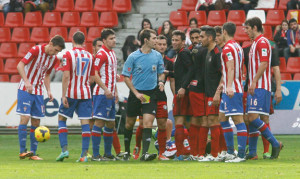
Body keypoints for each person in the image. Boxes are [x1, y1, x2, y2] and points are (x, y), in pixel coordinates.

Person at [17, 35, 65, 160]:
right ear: (50, 43)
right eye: (55, 50)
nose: (55, 53)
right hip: (25, 88)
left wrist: (49, 90)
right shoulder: (35, 50)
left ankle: (32, 153)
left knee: (36, 122)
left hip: (38, 91)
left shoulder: (53, 59)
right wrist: (27, 81)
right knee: (25, 117)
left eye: (58, 52)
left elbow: (47, 75)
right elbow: (20, 65)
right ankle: (22, 151)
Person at [56, 31, 102, 162]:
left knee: (61, 118)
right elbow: (92, 78)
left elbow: (66, 76)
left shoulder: (68, 54)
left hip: (71, 92)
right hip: (86, 93)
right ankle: (83, 155)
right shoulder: (89, 56)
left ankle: (64, 150)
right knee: (85, 122)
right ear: (84, 42)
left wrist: (63, 95)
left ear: (72, 40)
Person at [122, 29, 165, 161]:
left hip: (151, 94)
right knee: (129, 124)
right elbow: (126, 77)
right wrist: (136, 93)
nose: (156, 41)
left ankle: (145, 153)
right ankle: (127, 152)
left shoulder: (157, 56)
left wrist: (161, 81)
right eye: (154, 38)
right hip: (136, 93)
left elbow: (161, 72)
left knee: (147, 123)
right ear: (146, 40)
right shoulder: (133, 57)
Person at [244, 17, 283, 159]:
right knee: (251, 118)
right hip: (255, 87)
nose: (246, 31)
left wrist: (254, 81)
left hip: (260, 86)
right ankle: (253, 153)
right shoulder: (255, 43)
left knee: (253, 118)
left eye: (247, 28)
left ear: (255, 27)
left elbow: (265, 63)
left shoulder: (263, 42)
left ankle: (275, 143)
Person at [132, 35, 175, 161]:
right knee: (143, 124)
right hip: (147, 95)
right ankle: (137, 148)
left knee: (162, 124)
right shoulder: (147, 58)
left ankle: (162, 153)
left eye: (164, 44)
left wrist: (174, 96)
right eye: (159, 44)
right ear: (154, 44)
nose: (162, 46)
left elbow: (172, 81)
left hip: (161, 95)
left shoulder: (169, 62)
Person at [217, 22, 247, 163]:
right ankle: (230, 151)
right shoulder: (238, 47)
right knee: (222, 118)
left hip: (232, 89)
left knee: (237, 120)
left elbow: (230, 68)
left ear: (224, 31)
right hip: (229, 89)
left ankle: (241, 155)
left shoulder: (228, 48)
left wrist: (228, 86)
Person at [198, 26, 222, 162]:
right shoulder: (208, 52)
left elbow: (223, 75)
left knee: (213, 121)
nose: (200, 39)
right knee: (207, 121)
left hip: (215, 94)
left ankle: (215, 154)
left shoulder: (218, 53)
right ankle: (207, 153)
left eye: (202, 37)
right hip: (208, 93)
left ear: (210, 38)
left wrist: (217, 93)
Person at [171, 30, 194, 161]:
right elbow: (183, 71)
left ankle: (180, 154)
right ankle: (192, 152)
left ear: (183, 42)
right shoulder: (179, 53)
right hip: (184, 91)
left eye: (177, 40)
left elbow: (191, 69)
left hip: (182, 92)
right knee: (188, 123)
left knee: (179, 122)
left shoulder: (184, 53)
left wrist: (183, 87)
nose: (174, 42)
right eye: (173, 40)